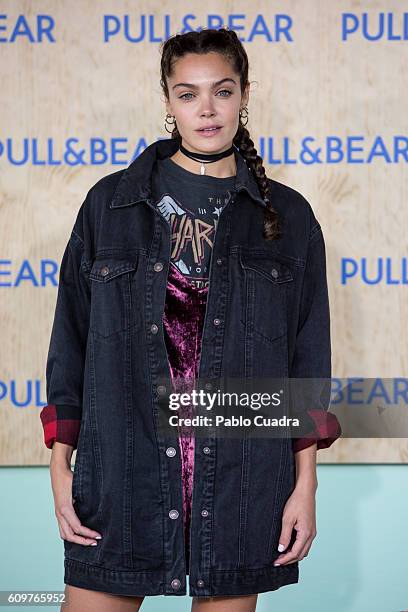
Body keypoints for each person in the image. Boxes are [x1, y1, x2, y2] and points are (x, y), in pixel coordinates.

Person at [40, 27, 341, 612]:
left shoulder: (289, 218)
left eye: (222, 91)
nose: (206, 108)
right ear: (167, 101)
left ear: (245, 94)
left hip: (240, 482)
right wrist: (60, 463)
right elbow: (70, 339)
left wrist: (305, 482)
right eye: (187, 93)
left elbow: (306, 359)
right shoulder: (110, 206)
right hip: (122, 474)